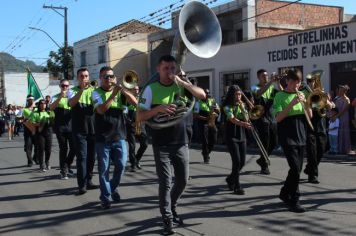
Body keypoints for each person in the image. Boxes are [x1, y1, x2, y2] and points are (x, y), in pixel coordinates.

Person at [137, 55, 205, 235]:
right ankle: (167, 218)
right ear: (158, 69)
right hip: (161, 144)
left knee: (182, 180)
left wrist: (184, 84)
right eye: (166, 68)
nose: (169, 72)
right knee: (165, 182)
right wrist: (157, 109)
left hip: (181, 141)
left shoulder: (180, 86)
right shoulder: (151, 89)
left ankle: (172, 206)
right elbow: (139, 117)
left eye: (172, 68)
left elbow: (202, 95)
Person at [92, 66, 137, 209]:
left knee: (121, 166)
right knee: (104, 170)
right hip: (102, 138)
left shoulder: (119, 92)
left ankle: (111, 188)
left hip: (119, 136)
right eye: (105, 77)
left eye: (111, 76)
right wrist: (112, 95)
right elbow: (101, 110)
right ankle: (105, 198)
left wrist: (123, 90)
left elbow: (135, 103)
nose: (109, 79)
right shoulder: (95, 93)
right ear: (100, 79)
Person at [273, 69, 311, 213]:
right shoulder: (279, 96)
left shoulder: (302, 94)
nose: (296, 84)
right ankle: (295, 200)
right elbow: (278, 118)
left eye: (298, 81)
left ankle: (284, 192)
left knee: (297, 170)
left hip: (301, 134)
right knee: (295, 169)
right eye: (293, 81)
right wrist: (292, 103)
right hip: (287, 135)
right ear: (287, 81)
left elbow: (310, 115)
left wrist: (306, 103)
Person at [68, 68, 98, 195]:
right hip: (79, 130)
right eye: (82, 76)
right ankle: (81, 185)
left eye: (86, 76)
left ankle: (89, 180)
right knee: (82, 158)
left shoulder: (94, 90)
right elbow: (71, 103)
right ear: (77, 78)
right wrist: (81, 90)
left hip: (92, 129)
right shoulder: (71, 91)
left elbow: (98, 105)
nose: (84, 78)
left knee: (92, 157)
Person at [302, 74, 334, 184]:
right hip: (309, 125)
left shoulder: (321, 92)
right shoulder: (304, 93)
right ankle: (313, 176)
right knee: (312, 151)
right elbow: (308, 109)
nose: (312, 83)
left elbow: (330, 107)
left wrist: (324, 98)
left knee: (322, 149)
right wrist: (313, 98)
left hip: (321, 125)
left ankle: (309, 168)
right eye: (310, 81)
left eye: (314, 81)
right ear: (307, 82)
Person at [251, 69, 282, 175]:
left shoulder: (272, 88)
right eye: (263, 76)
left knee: (274, 142)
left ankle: (261, 159)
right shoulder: (255, 87)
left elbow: (282, 93)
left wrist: (277, 83)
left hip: (271, 118)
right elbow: (259, 93)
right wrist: (271, 82)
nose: (266, 77)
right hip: (261, 118)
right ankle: (264, 166)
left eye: (267, 75)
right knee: (265, 142)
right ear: (258, 77)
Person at [222, 85, 252, 195]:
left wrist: (243, 107)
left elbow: (247, 118)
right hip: (231, 135)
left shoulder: (242, 104)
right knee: (237, 161)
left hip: (241, 135)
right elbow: (232, 119)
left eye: (240, 94)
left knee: (242, 162)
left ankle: (230, 178)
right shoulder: (226, 106)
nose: (239, 96)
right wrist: (243, 123)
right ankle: (236, 186)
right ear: (231, 95)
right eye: (236, 94)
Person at [50, 79, 76, 180]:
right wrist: (60, 97)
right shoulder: (55, 97)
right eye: (63, 86)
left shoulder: (72, 96)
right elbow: (51, 107)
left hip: (71, 127)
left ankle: (67, 165)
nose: (65, 87)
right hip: (60, 127)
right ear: (60, 86)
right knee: (63, 149)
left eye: (66, 86)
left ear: (69, 86)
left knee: (74, 148)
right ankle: (63, 171)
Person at [125, 85, 148, 172]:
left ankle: (137, 159)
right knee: (132, 146)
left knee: (145, 144)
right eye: (135, 89)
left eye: (138, 89)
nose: (137, 91)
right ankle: (133, 164)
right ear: (131, 90)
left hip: (141, 125)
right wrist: (131, 122)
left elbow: (146, 110)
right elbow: (124, 113)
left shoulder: (142, 98)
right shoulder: (127, 100)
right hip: (131, 126)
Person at [193, 88, 220, 164]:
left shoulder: (212, 100)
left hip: (211, 121)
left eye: (208, 93)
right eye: (206, 93)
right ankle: (206, 156)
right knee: (205, 140)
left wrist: (217, 111)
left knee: (214, 138)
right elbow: (195, 115)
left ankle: (206, 152)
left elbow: (218, 110)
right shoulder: (198, 102)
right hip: (202, 122)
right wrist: (206, 118)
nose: (207, 94)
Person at [29, 99, 54, 172]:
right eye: (41, 104)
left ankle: (47, 161)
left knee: (48, 149)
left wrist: (51, 121)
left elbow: (53, 121)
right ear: (39, 105)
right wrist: (40, 123)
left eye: (44, 104)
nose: (43, 105)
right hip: (40, 132)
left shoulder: (49, 112)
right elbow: (32, 123)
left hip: (49, 132)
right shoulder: (35, 113)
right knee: (41, 149)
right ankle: (41, 164)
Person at [334, 85, 354, 155]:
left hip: (344, 117)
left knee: (344, 132)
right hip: (338, 117)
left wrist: (337, 116)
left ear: (344, 91)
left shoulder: (347, 99)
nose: (339, 91)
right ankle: (340, 149)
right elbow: (335, 108)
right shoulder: (338, 99)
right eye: (339, 90)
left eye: (341, 90)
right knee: (339, 132)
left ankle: (346, 149)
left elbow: (344, 110)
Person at [20, 95, 36, 167]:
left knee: (38, 146)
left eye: (32, 99)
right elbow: (18, 118)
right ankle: (30, 161)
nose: (31, 100)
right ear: (27, 100)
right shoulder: (23, 109)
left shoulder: (36, 108)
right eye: (29, 99)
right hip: (28, 129)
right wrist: (23, 119)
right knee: (28, 147)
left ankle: (35, 158)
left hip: (36, 129)